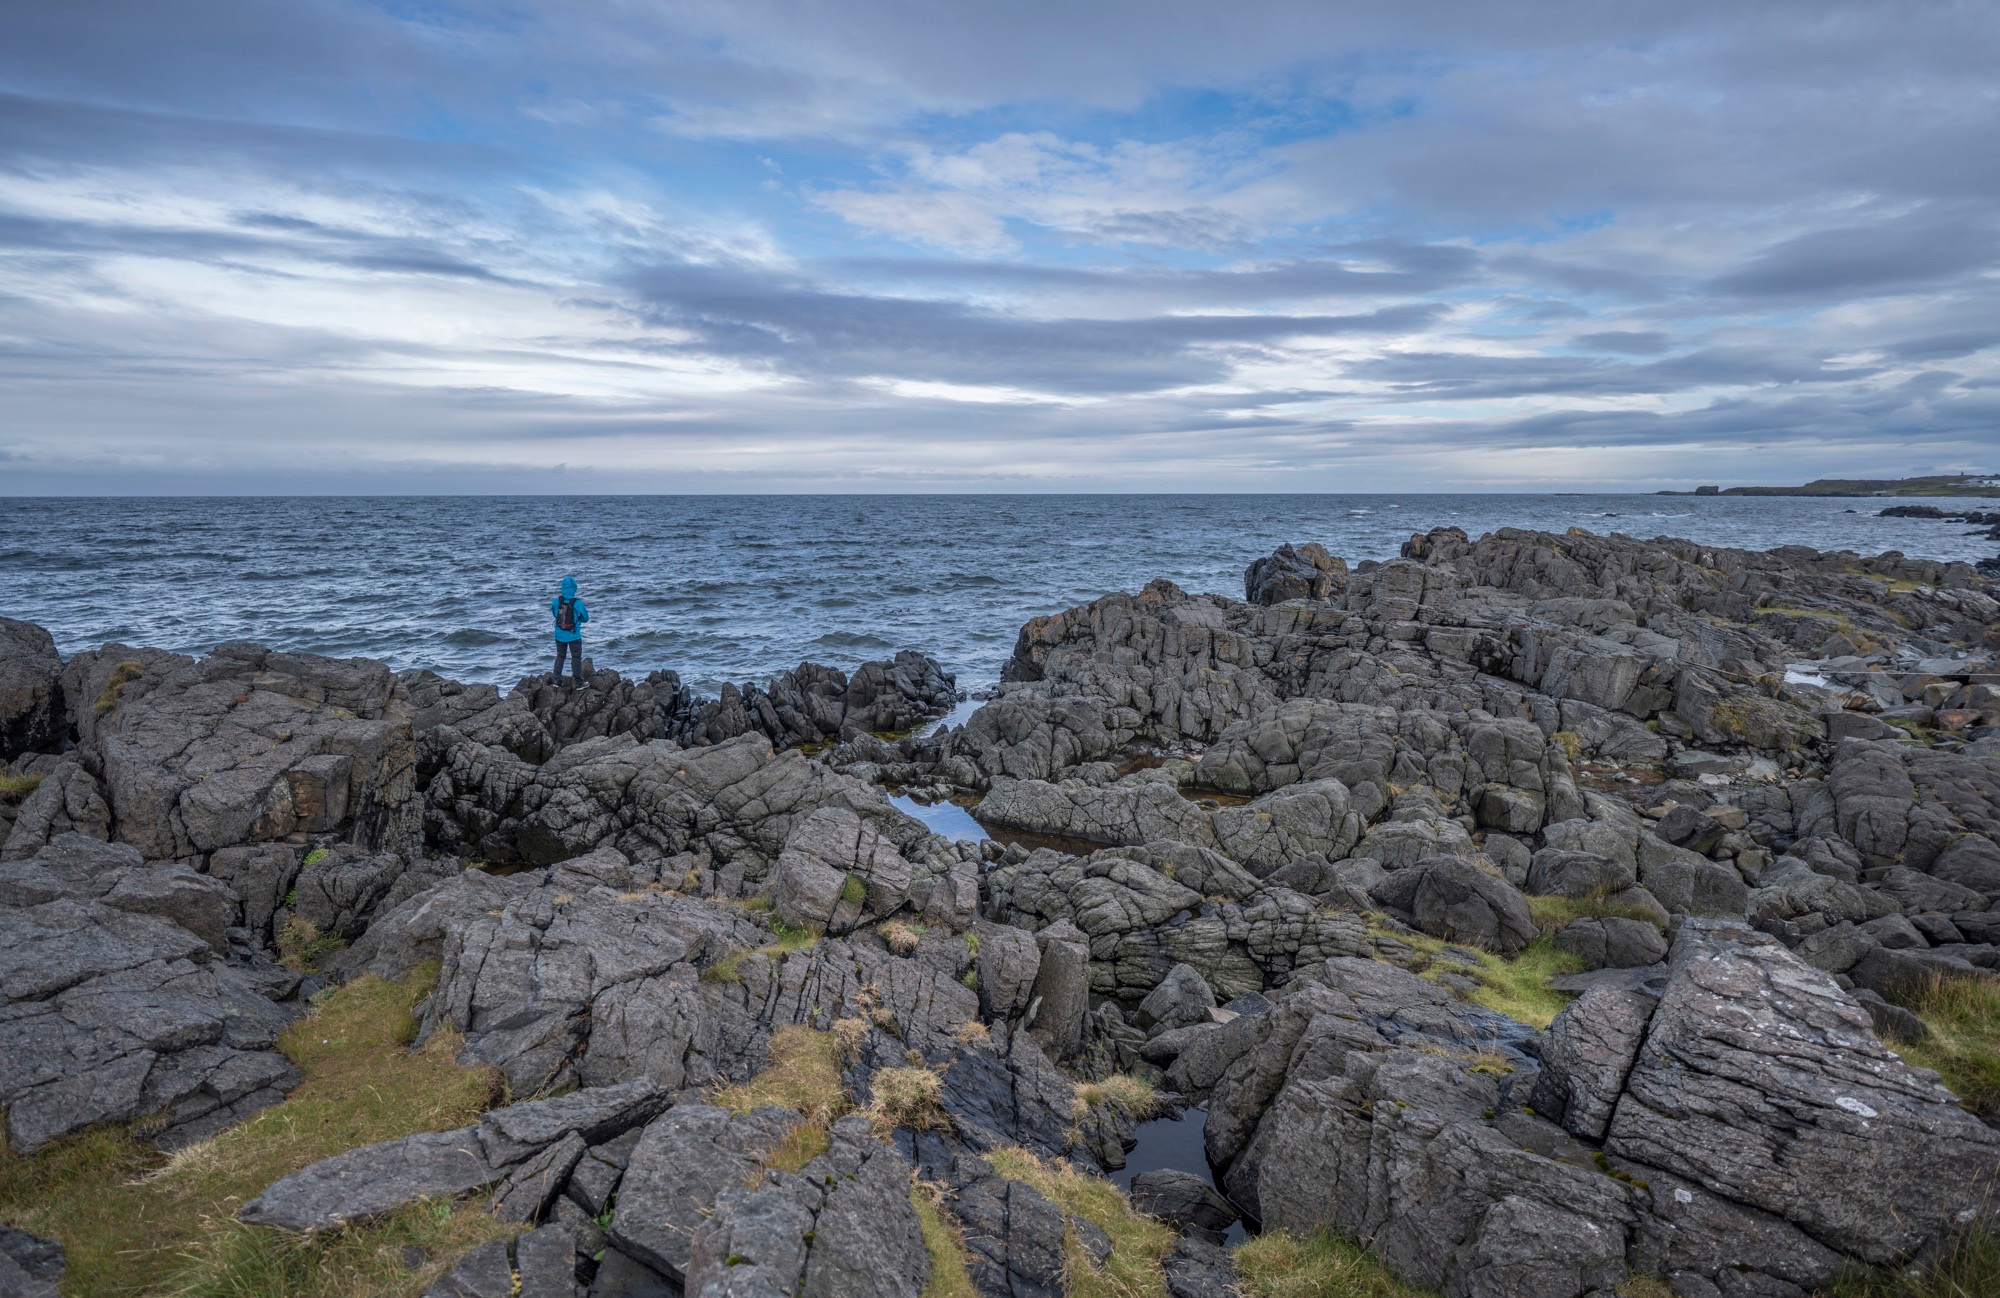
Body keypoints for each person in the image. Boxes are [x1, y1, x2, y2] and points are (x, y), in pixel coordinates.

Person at [550, 575, 590, 687]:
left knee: (560, 656)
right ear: (574, 588)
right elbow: (585, 618)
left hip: (559, 634)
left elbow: (554, 613)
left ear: (562, 587)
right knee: (576, 657)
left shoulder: (556, 601)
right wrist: (577, 620)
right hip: (574, 635)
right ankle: (579, 682)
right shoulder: (578, 603)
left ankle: (557, 681)